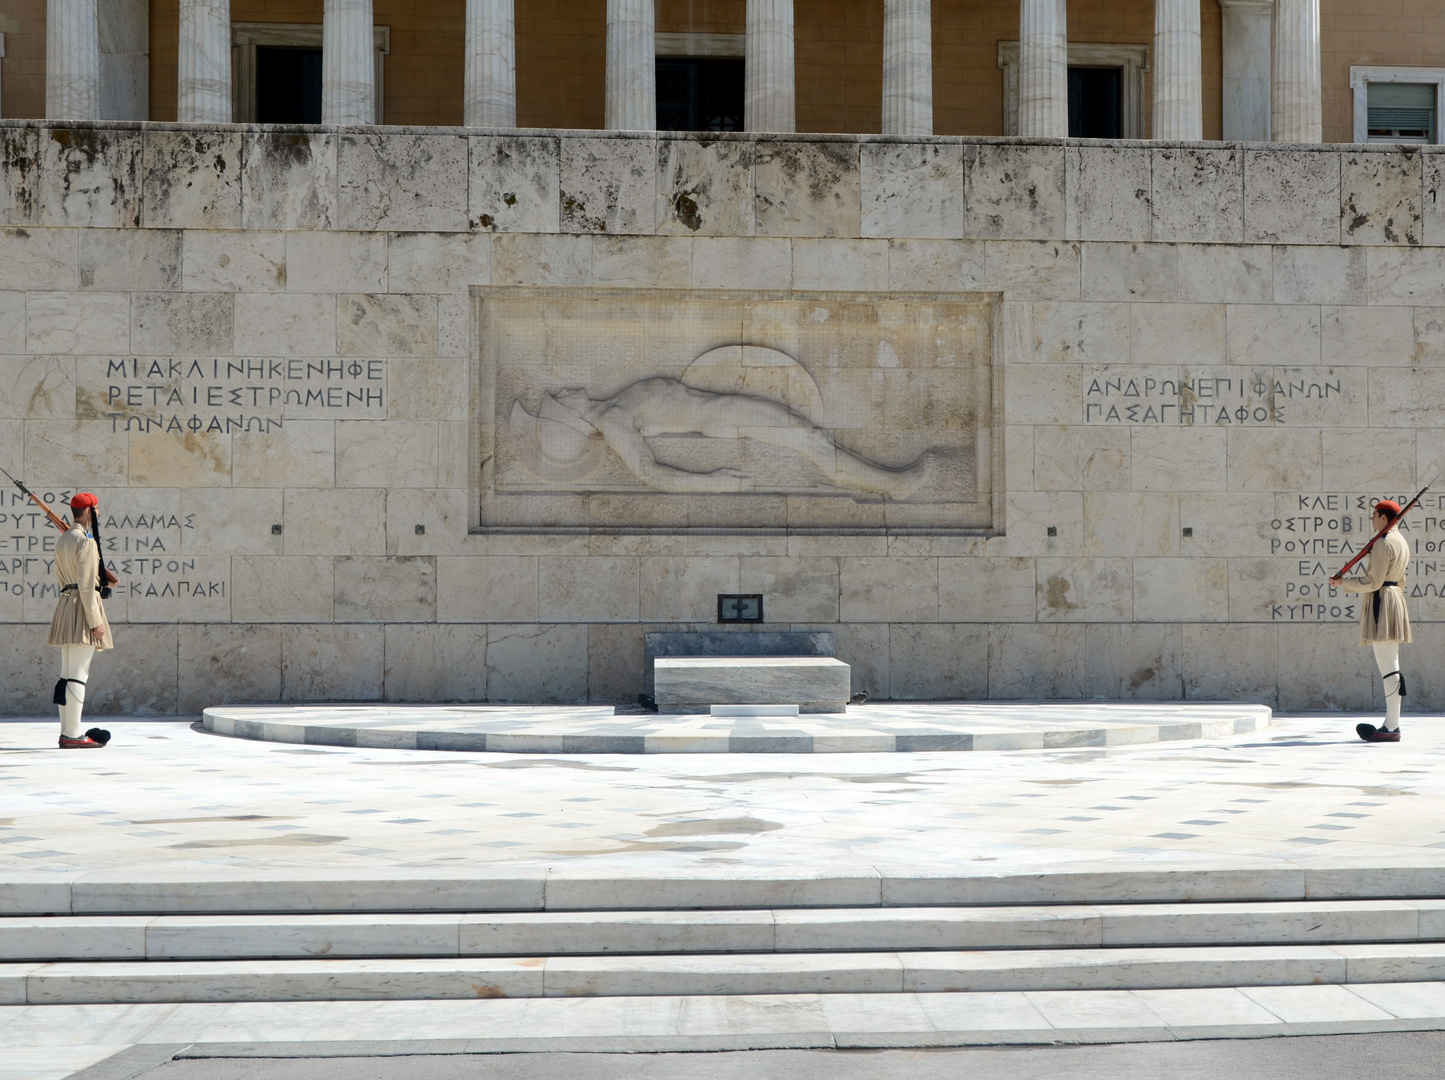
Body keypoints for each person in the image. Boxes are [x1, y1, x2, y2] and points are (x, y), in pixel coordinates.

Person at [551, 379, 933, 499]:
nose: (567, 388)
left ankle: (889, 482)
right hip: (721, 414)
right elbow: (650, 473)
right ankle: (892, 484)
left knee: (811, 439)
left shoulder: (613, 406)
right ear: (569, 414)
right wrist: (712, 484)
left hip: (720, 409)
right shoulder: (611, 418)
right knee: (812, 440)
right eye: (560, 398)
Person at [1330, 499, 1410, 742]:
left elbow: (1373, 582)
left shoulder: (1384, 543)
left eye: (1375, 515)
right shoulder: (1401, 541)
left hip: (1382, 600)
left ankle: (1391, 727)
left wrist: (1344, 583)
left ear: (1385, 518)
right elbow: (1402, 580)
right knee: (1391, 665)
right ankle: (1391, 724)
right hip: (1394, 597)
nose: (1372, 519)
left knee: (1388, 667)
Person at [48, 492, 113, 749]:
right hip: (82, 608)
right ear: (87, 512)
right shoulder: (86, 541)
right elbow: (87, 586)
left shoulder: (64, 538)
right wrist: (96, 621)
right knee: (78, 675)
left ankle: (68, 731)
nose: (97, 514)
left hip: (66, 604)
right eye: (95, 510)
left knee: (67, 674)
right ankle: (74, 735)